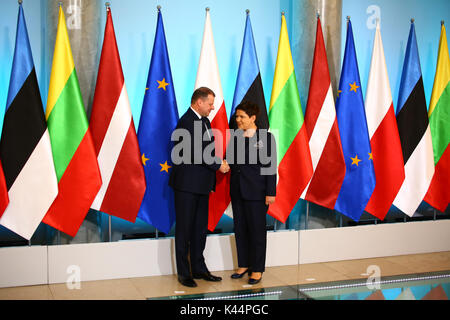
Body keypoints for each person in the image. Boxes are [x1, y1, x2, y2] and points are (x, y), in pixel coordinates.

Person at [169, 87, 229, 288]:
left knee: (199, 229)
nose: (213, 107)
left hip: (202, 186)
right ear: (198, 102)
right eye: (210, 103)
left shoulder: (204, 121)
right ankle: (184, 274)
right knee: (185, 230)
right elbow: (196, 152)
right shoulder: (186, 122)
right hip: (186, 186)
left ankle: (199, 268)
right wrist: (218, 165)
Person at [227, 101, 277, 285]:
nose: (238, 120)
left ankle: (257, 269)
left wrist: (270, 192)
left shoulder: (266, 138)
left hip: (257, 192)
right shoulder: (236, 137)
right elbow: (232, 163)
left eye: (242, 117)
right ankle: (243, 264)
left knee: (256, 231)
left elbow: (270, 168)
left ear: (253, 118)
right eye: (237, 116)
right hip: (238, 191)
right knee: (240, 228)